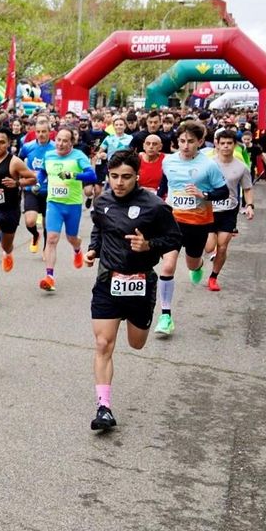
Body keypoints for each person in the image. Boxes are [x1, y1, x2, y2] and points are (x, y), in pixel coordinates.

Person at [84, 150, 181, 430]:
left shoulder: (154, 205)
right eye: (114, 176)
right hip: (108, 282)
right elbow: (99, 230)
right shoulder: (102, 202)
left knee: (136, 343)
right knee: (103, 344)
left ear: (137, 176)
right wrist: (93, 250)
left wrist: (149, 245)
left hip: (140, 284)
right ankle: (104, 408)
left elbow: (174, 238)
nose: (119, 182)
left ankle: (146, 316)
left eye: (126, 177)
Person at [153, 121, 229, 337]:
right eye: (182, 141)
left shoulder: (209, 165)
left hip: (198, 222)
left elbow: (223, 192)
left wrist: (203, 195)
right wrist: (158, 204)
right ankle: (165, 316)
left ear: (200, 142)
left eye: (191, 142)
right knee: (168, 266)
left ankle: (198, 266)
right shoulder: (169, 161)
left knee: (192, 262)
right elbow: (164, 185)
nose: (185, 146)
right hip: (173, 220)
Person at [0, 127, 35, 306]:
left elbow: (33, 179)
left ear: (8, 143)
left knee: (7, 243)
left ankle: (8, 252)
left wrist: (17, 183)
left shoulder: (15, 162)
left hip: (10, 210)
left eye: (2, 142)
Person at [37, 127, 97, 291]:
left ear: (72, 142)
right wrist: (38, 182)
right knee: (52, 238)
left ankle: (77, 249)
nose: (61, 144)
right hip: (54, 203)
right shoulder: (48, 155)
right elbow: (42, 172)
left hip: (72, 205)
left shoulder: (79, 156)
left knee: (71, 237)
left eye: (65, 140)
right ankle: (49, 276)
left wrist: (73, 175)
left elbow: (92, 176)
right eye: (58, 140)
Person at [203, 129, 254, 292]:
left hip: (229, 210)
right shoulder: (209, 164)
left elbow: (247, 188)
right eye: (222, 143)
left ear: (235, 145)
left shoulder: (241, 167)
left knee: (222, 246)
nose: (225, 146)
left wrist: (250, 205)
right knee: (209, 247)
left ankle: (213, 277)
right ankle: (197, 265)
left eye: (229, 143)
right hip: (210, 209)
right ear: (217, 144)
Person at [18, 115, 55, 253]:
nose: (41, 134)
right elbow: (18, 162)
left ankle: (46, 249)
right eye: (38, 132)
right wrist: (24, 176)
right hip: (31, 188)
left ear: (49, 132)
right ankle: (35, 235)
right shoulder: (28, 147)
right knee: (30, 221)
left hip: (50, 190)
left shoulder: (56, 147)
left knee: (47, 223)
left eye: (44, 131)